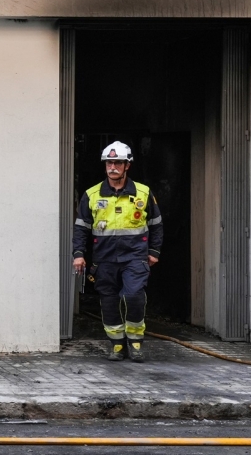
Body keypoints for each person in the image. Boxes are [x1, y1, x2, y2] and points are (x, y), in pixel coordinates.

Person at [72, 141, 164, 362]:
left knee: (133, 296)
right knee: (109, 300)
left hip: (135, 257)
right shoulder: (92, 194)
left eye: (118, 163)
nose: (112, 167)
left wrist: (154, 251)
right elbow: (81, 227)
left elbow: (156, 224)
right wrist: (78, 254)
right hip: (104, 259)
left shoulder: (143, 193)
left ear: (127, 165)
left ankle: (135, 342)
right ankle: (117, 344)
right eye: (109, 163)